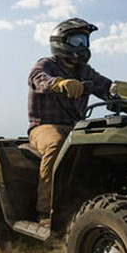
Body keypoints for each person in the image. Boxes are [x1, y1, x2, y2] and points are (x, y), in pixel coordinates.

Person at [27, 18, 112, 224]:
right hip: (44, 126)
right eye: (77, 41)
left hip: (77, 128)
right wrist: (58, 83)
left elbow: (108, 88)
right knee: (56, 144)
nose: (83, 46)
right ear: (61, 42)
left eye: (85, 41)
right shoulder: (47, 64)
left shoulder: (85, 71)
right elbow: (36, 78)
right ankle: (45, 212)